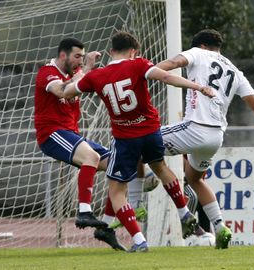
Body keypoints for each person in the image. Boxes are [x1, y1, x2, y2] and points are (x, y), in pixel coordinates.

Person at [63, 31, 216, 252]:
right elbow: (165, 77)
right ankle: (184, 213)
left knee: (116, 190)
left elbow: (67, 92)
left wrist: (85, 69)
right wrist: (198, 87)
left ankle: (139, 241)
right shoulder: (139, 64)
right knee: (161, 167)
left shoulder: (95, 76)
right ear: (134, 51)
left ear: (110, 51)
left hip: (126, 139)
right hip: (151, 132)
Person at [152, 28, 254, 249]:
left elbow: (172, 63)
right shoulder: (235, 71)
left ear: (200, 46)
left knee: (140, 141)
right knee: (195, 178)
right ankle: (220, 226)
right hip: (215, 136)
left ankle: (142, 192)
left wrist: (144, 72)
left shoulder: (197, 53)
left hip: (194, 128)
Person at [34, 38, 112, 231]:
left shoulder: (77, 73)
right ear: (63, 55)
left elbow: (84, 79)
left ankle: (108, 225)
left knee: (117, 163)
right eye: (77, 56)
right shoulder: (48, 72)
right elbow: (62, 92)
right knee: (91, 157)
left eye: (82, 57)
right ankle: (84, 212)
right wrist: (86, 69)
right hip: (52, 134)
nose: (80, 60)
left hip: (71, 133)